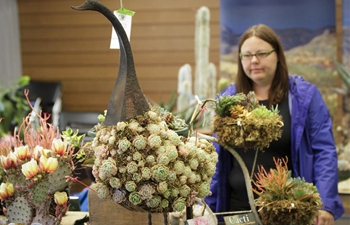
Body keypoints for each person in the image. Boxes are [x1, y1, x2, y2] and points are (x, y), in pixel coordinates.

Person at [205, 24, 344, 225]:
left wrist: (325, 205)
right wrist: (206, 206)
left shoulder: (304, 97)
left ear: (278, 55)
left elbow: (324, 152)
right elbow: (215, 159)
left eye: (262, 53)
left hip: (289, 211)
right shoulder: (228, 99)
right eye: (246, 55)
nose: (254, 60)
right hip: (236, 211)